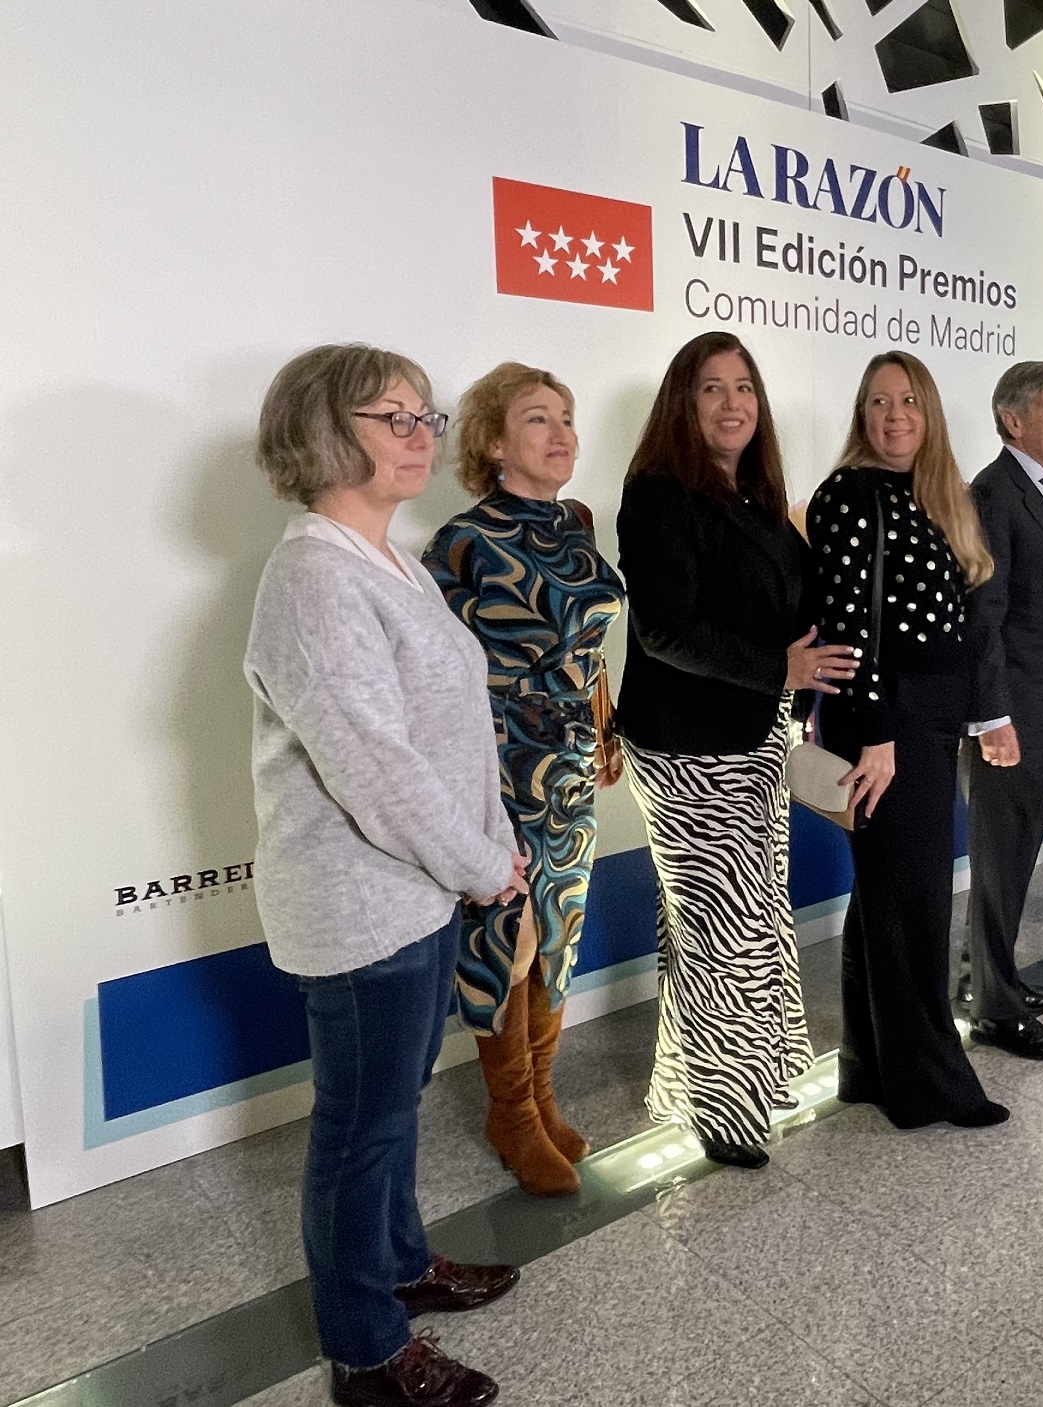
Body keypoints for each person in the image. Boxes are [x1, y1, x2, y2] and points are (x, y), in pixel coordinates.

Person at [244, 345, 521, 1407]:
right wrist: (478, 863)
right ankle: (366, 1352)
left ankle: (402, 1268)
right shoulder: (314, 575)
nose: (422, 434)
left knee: (393, 1106)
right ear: (324, 431)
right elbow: (375, 763)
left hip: (417, 888)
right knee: (359, 1134)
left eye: (426, 415)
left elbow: (453, 734)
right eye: (393, 415)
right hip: (361, 900)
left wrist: (484, 850)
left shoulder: (384, 561)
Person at [617, 331, 856, 1169]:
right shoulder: (658, 494)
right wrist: (779, 665)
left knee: (743, 918)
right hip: (687, 746)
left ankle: (733, 1082)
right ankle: (721, 1108)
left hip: (754, 740)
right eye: (711, 388)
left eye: (744, 387)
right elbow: (664, 629)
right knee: (723, 926)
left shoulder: (756, 497)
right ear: (682, 404)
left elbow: (787, 606)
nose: (731, 404)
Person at [423, 362, 624, 1199]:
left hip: (572, 762)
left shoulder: (574, 521)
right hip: (502, 762)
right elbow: (441, 676)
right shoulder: (462, 540)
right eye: (538, 418)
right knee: (510, 938)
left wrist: (605, 720)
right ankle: (510, 1110)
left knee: (562, 927)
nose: (562, 431)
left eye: (567, 416)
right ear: (495, 442)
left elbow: (590, 640)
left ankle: (540, 1094)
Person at [809, 350, 1009, 1128]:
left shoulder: (933, 496)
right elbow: (850, 627)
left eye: (908, 402)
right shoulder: (850, 494)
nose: (894, 416)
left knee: (886, 902)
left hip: (928, 723)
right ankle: (929, 1085)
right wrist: (880, 736)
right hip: (885, 724)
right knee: (914, 904)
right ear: (861, 415)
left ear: (928, 414)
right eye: (878, 402)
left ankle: (870, 1068)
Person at [958, 361, 1043, 1062]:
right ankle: (995, 1013)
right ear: (1013, 419)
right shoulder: (994, 493)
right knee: (1000, 859)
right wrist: (991, 716)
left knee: (1013, 857)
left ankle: (983, 972)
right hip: (1010, 716)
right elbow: (984, 616)